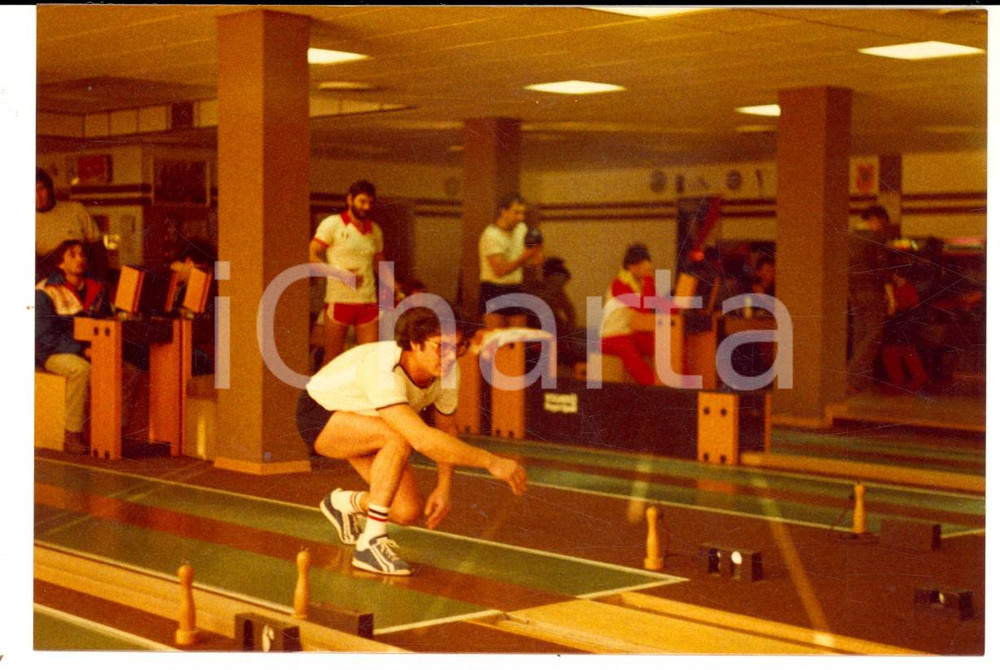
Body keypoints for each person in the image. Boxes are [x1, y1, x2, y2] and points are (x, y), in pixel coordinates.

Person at [296, 306, 528, 576]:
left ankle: (343, 504)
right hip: (320, 415)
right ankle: (370, 544)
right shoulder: (384, 367)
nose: (450, 356)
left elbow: (446, 429)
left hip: (369, 422)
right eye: (441, 347)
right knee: (399, 435)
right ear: (415, 344)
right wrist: (491, 461)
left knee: (406, 511)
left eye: (458, 347)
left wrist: (444, 487)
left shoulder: (447, 372)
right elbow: (421, 439)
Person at [35, 239, 111, 453]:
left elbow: (107, 322)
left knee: (127, 370)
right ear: (61, 263)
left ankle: (114, 429)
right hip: (51, 353)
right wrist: (83, 350)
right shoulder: (45, 291)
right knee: (80, 369)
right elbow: (43, 336)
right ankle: (71, 432)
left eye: (83, 255)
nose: (81, 259)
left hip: (90, 350)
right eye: (73, 255)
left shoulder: (95, 289)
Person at [309, 180, 384, 366]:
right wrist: (341, 274)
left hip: (368, 300)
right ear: (350, 200)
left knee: (370, 358)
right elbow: (311, 256)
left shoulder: (374, 230)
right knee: (333, 358)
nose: (366, 207)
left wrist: (392, 291)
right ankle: (325, 394)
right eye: (362, 201)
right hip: (339, 299)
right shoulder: (332, 224)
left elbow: (379, 262)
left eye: (370, 203)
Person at [478, 192, 543, 329]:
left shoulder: (521, 229)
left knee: (518, 338)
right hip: (494, 288)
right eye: (516, 213)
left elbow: (526, 261)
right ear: (504, 211)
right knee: (498, 340)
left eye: (522, 213)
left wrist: (535, 256)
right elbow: (500, 270)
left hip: (515, 286)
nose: (520, 217)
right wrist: (525, 257)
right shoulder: (491, 235)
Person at [846, 205, 892, 393]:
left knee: (861, 335)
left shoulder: (848, 237)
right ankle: (852, 374)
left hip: (853, 292)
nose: (882, 228)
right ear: (874, 218)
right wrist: (891, 297)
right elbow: (883, 270)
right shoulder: (875, 239)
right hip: (873, 291)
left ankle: (859, 382)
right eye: (882, 223)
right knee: (874, 334)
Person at [600, 243, 659, 385]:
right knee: (629, 352)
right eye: (643, 265)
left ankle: (678, 384)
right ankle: (652, 387)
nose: (648, 269)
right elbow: (644, 309)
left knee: (661, 345)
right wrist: (649, 281)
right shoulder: (619, 285)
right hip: (612, 335)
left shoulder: (639, 284)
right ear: (632, 267)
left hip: (630, 332)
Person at [36, 167, 107, 281]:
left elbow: (99, 250)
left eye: (41, 189)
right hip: (50, 282)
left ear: (49, 188)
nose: (37, 196)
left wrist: (100, 282)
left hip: (85, 278)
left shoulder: (76, 209)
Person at [528, 257, 586, 369]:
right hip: (550, 333)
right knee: (589, 343)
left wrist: (570, 325)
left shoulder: (557, 292)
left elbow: (570, 310)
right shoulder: (539, 292)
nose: (561, 286)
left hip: (560, 331)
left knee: (588, 333)